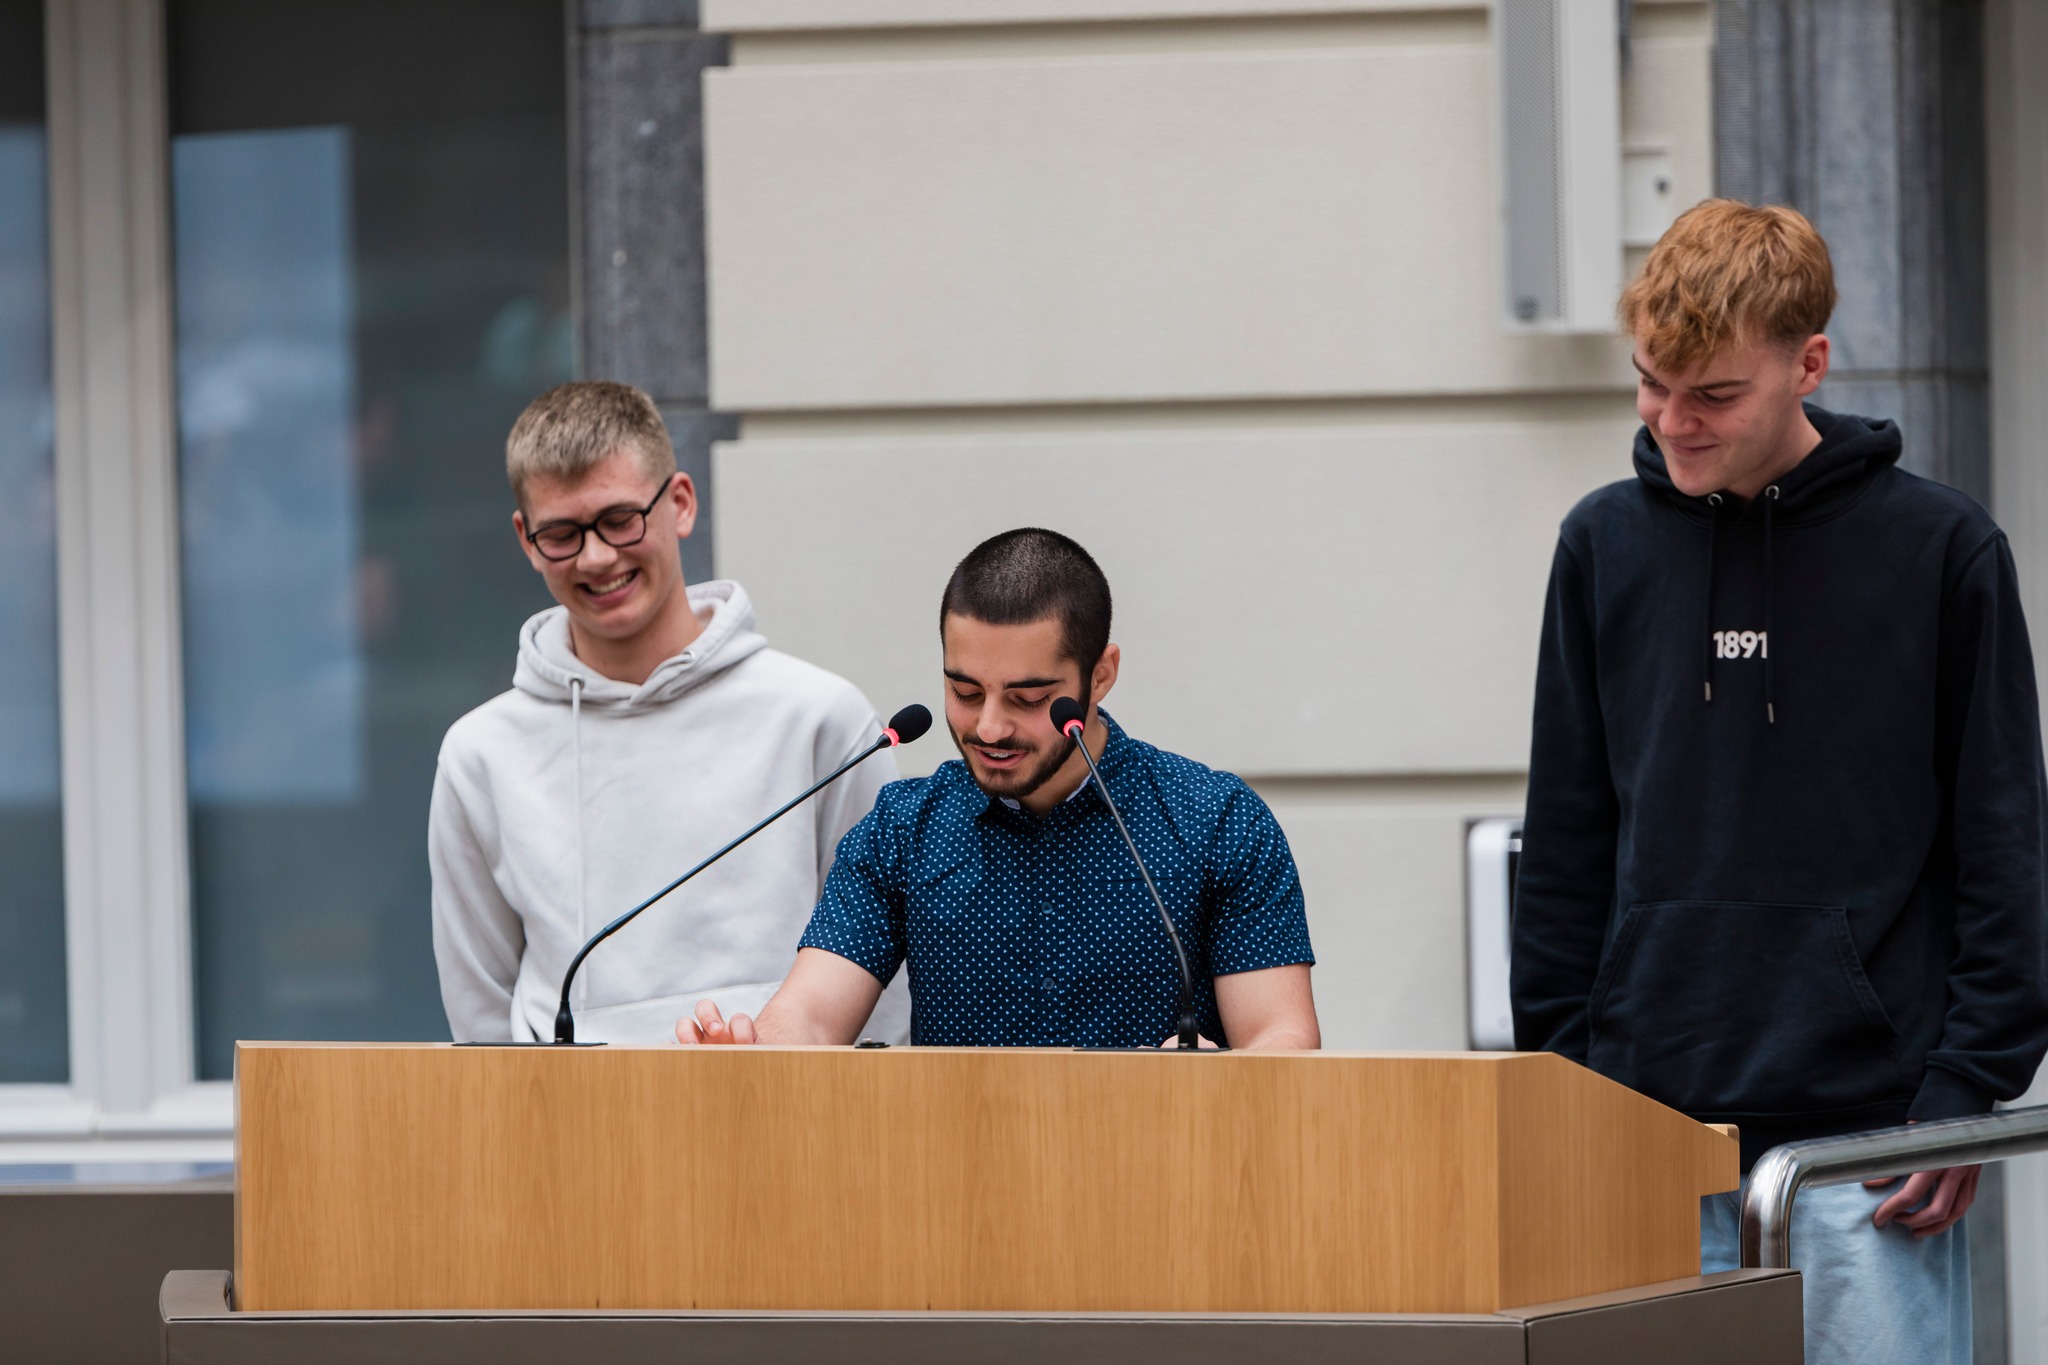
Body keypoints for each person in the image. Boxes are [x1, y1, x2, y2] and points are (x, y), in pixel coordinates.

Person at [1511, 200, 2048, 1365]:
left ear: (1807, 363)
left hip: (1866, 1153)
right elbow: (1565, 833)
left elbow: (2002, 839)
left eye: (1712, 395)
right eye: (1651, 385)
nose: (1670, 422)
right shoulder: (1599, 546)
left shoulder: (1941, 553)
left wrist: (1964, 1087)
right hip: (1639, 1144)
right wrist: (1562, 1094)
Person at [676, 527, 1320, 1050]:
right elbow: (812, 1017)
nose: (988, 726)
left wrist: (1233, 1076)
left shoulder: (1215, 821)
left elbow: (1281, 1038)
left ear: (1101, 675)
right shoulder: (905, 828)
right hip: (958, 1194)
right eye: (964, 690)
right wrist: (753, 1053)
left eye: (1027, 698)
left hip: (1164, 1188)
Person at [429, 381, 909, 1043]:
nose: (597, 557)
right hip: (569, 1137)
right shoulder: (479, 753)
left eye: (621, 519)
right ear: (527, 540)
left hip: (788, 1125)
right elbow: (480, 1024)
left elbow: (885, 978)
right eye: (563, 534)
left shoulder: (823, 720)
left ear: (680, 503)